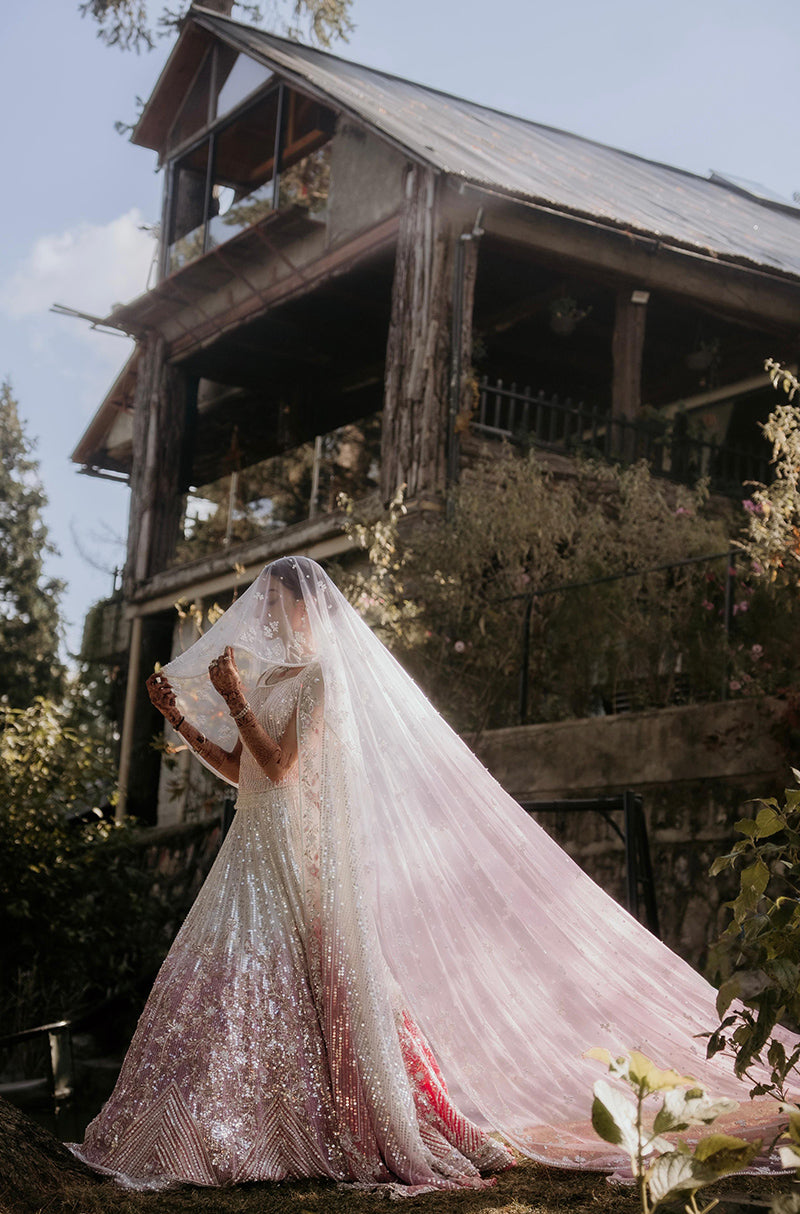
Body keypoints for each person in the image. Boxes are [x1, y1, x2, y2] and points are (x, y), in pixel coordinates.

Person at [70, 556, 777, 1191]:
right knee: (229, 986)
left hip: (295, 856)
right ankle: (214, 1128)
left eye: (278, 604)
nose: (268, 617)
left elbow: (281, 770)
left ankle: (289, 1130)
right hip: (253, 850)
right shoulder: (272, 679)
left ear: (307, 609)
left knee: (285, 985)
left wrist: (234, 702)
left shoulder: (318, 680)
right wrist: (184, 723)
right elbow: (244, 773)